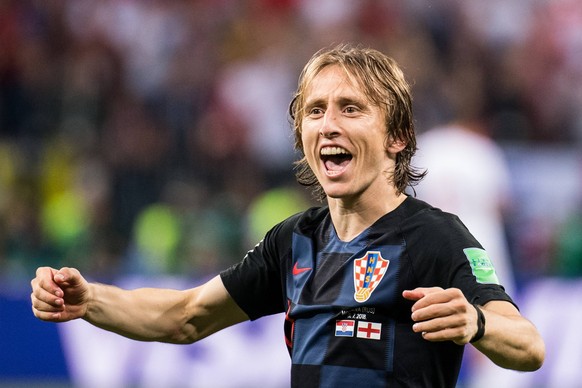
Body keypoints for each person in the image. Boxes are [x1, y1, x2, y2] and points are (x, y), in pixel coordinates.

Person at [31, 45, 544, 387]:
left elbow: (528, 345)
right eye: (315, 111)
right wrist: (90, 298)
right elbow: (185, 316)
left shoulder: (433, 235)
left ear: (397, 137)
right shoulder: (295, 241)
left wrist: (475, 320)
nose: (328, 125)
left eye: (351, 108)